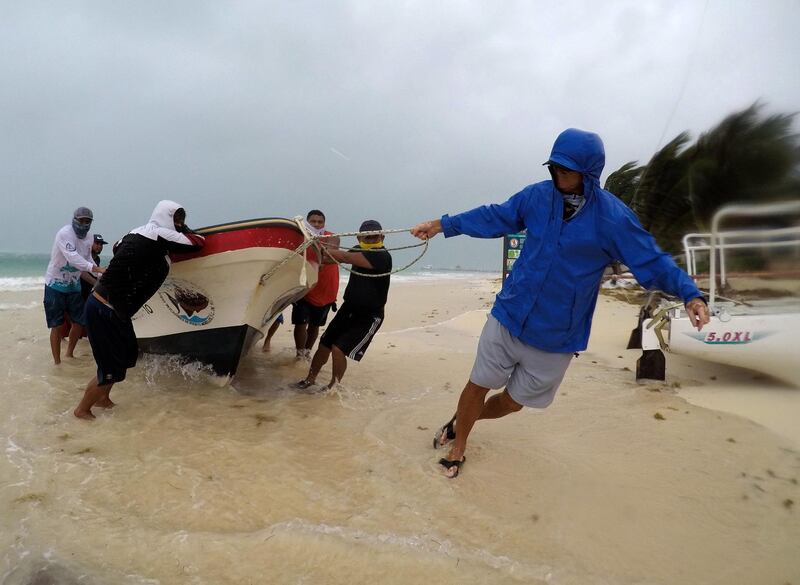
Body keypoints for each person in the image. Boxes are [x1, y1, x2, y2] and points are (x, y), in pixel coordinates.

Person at [411, 128, 710, 478]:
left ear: (589, 174)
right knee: (478, 383)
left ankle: (461, 420)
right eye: (554, 167)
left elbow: (650, 258)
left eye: (566, 170)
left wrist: (689, 293)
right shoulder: (537, 197)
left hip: (557, 335)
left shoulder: (613, 218)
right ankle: (459, 445)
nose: (557, 175)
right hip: (510, 314)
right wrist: (442, 225)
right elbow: (494, 216)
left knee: (512, 403)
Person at [73, 200, 205, 420]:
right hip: (104, 308)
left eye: (182, 220)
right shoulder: (161, 234)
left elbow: (116, 246)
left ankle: (103, 400)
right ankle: (82, 410)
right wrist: (183, 229)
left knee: (126, 356)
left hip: (112, 309)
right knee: (109, 368)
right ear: (167, 217)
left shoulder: (137, 232)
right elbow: (197, 242)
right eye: (177, 219)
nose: (180, 224)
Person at [294, 219, 391, 390]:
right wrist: (313, 251)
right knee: (325, 344)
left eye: (373, 237)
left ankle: (333, 387)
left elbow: (344, 257)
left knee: (338, 349)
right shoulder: (358, 249)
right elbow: (329, 259)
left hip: (369, 316)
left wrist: (324, 246)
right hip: (348, 309)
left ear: (382, 236)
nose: (369, 241)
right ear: (359, 238)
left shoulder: (382, 256)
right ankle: (310, 379)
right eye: (365, 238)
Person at [44, 207, 106, 364]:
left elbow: (88, 259)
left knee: (80, 321)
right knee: (56, 326)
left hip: (74, 286)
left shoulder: (89, 237)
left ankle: (69, 354)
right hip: (55, 285)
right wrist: (95, 268)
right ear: (74, 220)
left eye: (88, 221)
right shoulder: (65, 234)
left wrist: (101, 274)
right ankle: (57, 362)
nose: (84, 225)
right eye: (82, 221)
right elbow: (73, 258)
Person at [288, 210, 340, 359]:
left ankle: (308, 352)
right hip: (305, 286)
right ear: (307, 222)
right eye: (313, 221)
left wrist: (316, 242)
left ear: (324, 223)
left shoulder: (332, 237)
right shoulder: (300, 236)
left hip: (326, 288)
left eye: (320, 222)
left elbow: (330, 254)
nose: (317, 224)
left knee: (315, 325)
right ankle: (299, 354)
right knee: (300, 322)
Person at [80, 234, 109, 300]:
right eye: (97, 243)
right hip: (80, 291)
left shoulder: (97, 259)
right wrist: (96, 284)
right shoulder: (84, 256)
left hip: (89, 291)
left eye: (101, 244)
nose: (99, 246)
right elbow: (81, 272)